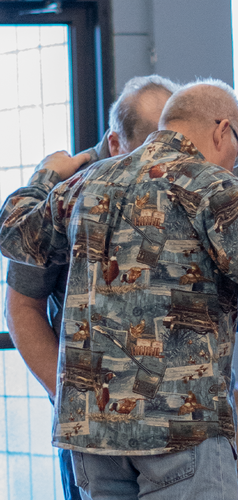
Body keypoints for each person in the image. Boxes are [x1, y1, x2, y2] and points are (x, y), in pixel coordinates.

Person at [0, 79, 238, 500]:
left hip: (92, 435)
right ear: (222, 130)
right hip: (180, 428)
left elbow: (13, 232)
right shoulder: (211, 185)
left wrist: (47, 174)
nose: (235, 162)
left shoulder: (89, 182)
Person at [5, 74, 179, 500]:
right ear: (116, 144)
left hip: (174, 418)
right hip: (92, 423)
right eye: (152, 147)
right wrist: (73, 396)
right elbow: (22, 308)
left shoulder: (192, 177)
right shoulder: (69, 191)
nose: (165, 160)